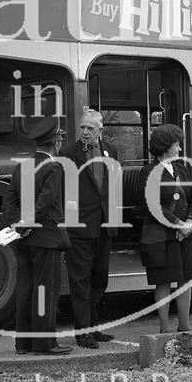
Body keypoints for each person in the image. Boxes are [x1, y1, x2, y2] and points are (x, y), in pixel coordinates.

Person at [1, 116, 72, 356]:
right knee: (45, 291)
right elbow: (46, 202)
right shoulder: (53, 167)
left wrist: (17, 225)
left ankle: (23, 343)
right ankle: (44, 343)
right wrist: (28, 222)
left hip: (23, 239)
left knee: (25, 289)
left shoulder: (22, 167)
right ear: (56, 143)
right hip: (47, 238)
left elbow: (9, 200)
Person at [61, 108, 119, 349]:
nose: (85, 132)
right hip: (79, 227)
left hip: (105, 225)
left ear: (100, 130)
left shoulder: (111, 150)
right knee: (80, 281)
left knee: (99, 279)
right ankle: (82, 332)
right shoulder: (68, 154)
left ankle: (93, 326)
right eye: (82, 128)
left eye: (90, 129)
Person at [138, 124, 192, 333]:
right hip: (162, 237)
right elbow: (152, 206)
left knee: (185, 280)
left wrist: (190, 221)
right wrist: (179, 224)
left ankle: (184, 325)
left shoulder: (183, 168)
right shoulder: (148, 172)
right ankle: (164, 327)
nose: (180, 149)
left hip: (185, 234)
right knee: (163, 282)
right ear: (165, 147)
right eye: (177, 145)